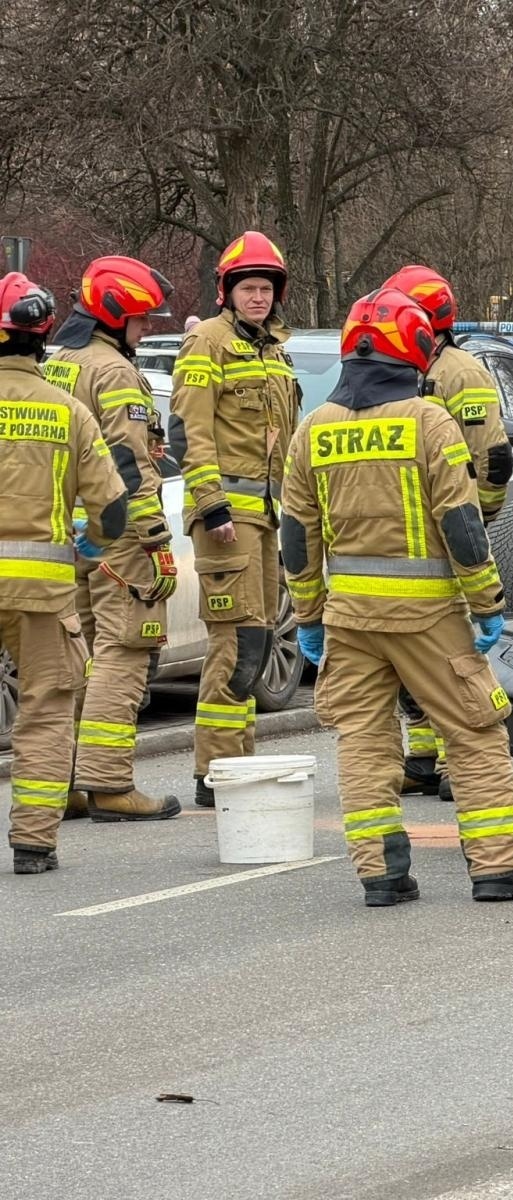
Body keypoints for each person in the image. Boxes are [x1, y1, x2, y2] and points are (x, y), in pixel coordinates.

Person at [280, 287, 513, 907]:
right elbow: (459, 521)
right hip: (429, 617)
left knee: (365, 741)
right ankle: (497, 867)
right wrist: (486, 600)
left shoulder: (313, 430)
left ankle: (380, 873)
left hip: (349, 620)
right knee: (475, 731)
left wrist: (308, 616)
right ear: (415, 352)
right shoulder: (428, 420)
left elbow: (296, 536)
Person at [44, 256, 181, 822]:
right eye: (142, 320)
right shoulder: (115, 372)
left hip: (67, 530)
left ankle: (69, 780)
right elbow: (127, 464)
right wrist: (154, 535)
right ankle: (108, 782)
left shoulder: (59, 364)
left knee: (75, 659)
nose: (147, 329)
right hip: (118, 534)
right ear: (116, 314)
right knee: (125, 651)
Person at [0, 272, 129, 873]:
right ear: (43, 337)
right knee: (46, 710)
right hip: (41, 592)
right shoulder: (68, 412)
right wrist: (93, 540)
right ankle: (33, 843)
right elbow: (112, 509)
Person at [170, 231, 300, 807]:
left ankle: (235, 762)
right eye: (248, 287)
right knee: (235, 643)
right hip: (227, 519)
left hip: (267, 519)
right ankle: (216, 769)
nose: (258, 298)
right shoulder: (209, 345)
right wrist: (210, 503)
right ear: (227, 291)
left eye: (266, 289)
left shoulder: (273, 349)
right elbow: (190, 431)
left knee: (259, 636)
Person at [382, 265, 513, 803]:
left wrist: (476, 521)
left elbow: (494, 458)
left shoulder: (461, 371)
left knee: (453, 658)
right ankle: (422, 755)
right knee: (410, 657)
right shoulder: (404, 367)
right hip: (411, 533)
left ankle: (457, 764)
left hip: (451, 531)